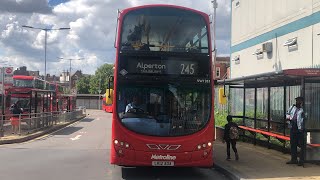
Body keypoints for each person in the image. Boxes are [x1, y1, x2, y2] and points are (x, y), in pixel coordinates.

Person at [286, 96, 305, 166]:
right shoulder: (292, 107)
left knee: (301, 145)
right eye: (297, 101)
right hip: (292, 128)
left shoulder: (303, 109)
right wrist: (288, 118)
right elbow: (287, 113)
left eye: (299, 101)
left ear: (302, 102)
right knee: (293, 144)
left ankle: (301, 160)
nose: (297, 102)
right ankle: (294, 159)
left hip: (300, 129)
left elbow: (306, 117)